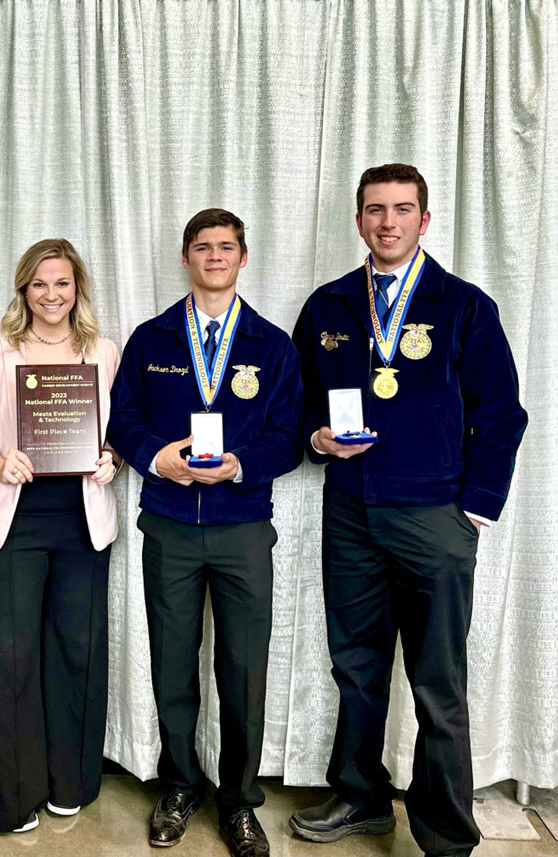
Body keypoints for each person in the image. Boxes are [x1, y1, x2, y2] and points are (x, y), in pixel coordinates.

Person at [288, 164, 528, 857]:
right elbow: (298, 399)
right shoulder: (329, 306)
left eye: (401, 210)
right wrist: (315, 435)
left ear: (425, 220)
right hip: (352, 512)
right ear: (358, 220)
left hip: (435, 517)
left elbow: (502, 415)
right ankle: (361, 795)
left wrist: (473, 510)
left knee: (437, 681)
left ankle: (447, 835)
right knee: (356, 664)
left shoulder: (463, 305)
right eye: (374, 210)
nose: (387, 222)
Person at [108, 209, 303, 857]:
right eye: (202, 246)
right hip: (168, 524)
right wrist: (156, 457)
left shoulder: (272, 345)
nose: (214, 256)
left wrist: (241, 465)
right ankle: (180, 783)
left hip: (243, 527)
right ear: (186, 257)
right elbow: (123, 420)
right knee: (172, 664)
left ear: (243, 258)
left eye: (226, 247)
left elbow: (289, 435)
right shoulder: (153, 338)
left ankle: (240, 802)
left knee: (244, 670)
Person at [0, 238, 120, 834]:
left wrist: (112, 457)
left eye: (63, 283)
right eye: (40, 284)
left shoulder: (104, 352)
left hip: (81, 523)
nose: (52, 295)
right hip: (9, 521)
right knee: (9, 659)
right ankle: (9, 797)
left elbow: (120, 428)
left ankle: (68, 782)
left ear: (78, 289)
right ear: (24, 289)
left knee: (76, 653)